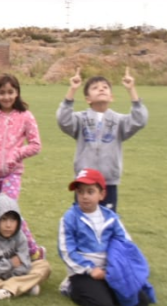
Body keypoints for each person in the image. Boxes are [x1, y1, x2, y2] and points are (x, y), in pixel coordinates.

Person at [57, 169, 154, 306]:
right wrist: (90, 269)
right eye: (80, 192)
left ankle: (105, 288)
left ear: (101, 194)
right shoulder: (69, 218)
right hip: (83, 272)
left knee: (142, 300)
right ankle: (71, 288)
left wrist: (116, 269)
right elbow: (66, 251)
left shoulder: (111, 217)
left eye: (90, 192)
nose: (84, 197)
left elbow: (126, 243)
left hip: (109, 270)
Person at [0, 73, 44, 258]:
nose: (6, 97)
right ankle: (3, 253)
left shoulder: (25, 116)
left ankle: (33, 250)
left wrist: (17, 154)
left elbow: (36, 145)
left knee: (9, 211)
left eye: (10, 92)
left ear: (17, 93)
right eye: (2, 92)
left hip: (13, 173)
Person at [57, 67, 148, 212]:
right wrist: (72, 91)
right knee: (82, 221)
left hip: (108, 182)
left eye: (105, 87)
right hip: (84, 182)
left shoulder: (119, 121)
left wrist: (132, 91)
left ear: (111, 97)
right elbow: (63, 120)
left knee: (107, 222)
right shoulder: (81, 119)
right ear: (88, 99)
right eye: (95, 88)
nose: (101, 89)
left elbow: (139, 121)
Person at [0, 194, 51, 301]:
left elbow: (25, 267)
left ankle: (5, 290)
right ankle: (24, 287)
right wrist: (10, 263)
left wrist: (11, 273)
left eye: (13, 220)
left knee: (44, 266)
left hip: (14, 275)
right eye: (4, 219)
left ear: (18, 221)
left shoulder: (20, 236)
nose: (8, 225)